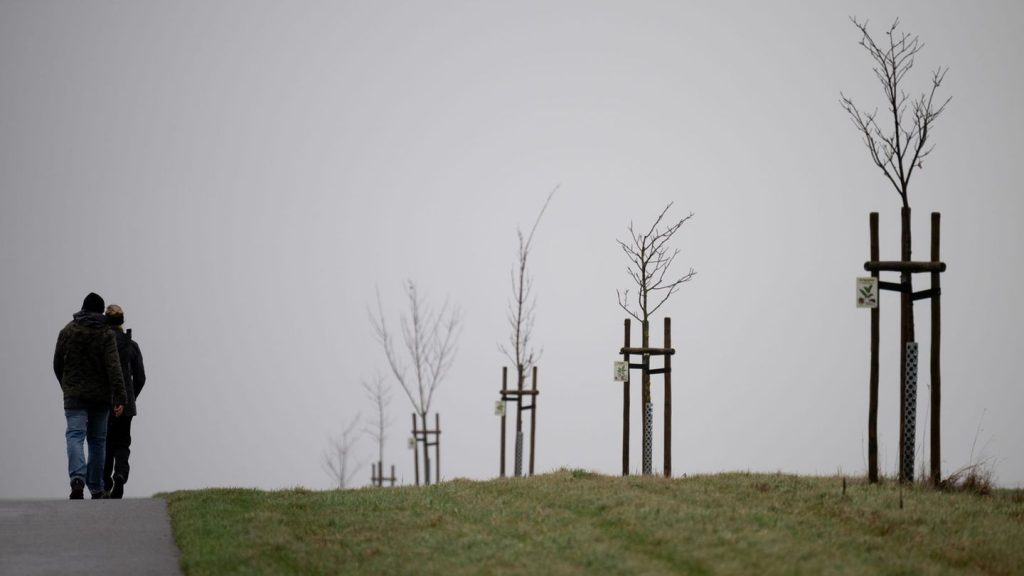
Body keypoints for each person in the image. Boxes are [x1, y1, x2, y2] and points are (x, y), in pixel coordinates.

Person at [53, 292, 126, 499]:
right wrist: (119, 397)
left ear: (83, 308)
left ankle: (77, 479)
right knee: (97, 440)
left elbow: (57, 363)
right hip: (101, 398)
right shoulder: (106, 334)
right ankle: (95, 486)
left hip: (74, 395)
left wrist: (66, 386)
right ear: (101, 311)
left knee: (75, 436)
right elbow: (114, 368)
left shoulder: (68, 331)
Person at [102, 304, 146, 499]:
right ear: (122, 321)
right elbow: (141, 377)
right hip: (126, 404)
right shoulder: (131, 345)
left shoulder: (101, 343)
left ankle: (105, 481)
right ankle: (120, 474)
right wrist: (130, 398)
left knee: (103, 443)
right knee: (122, 443)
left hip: (103, 402)